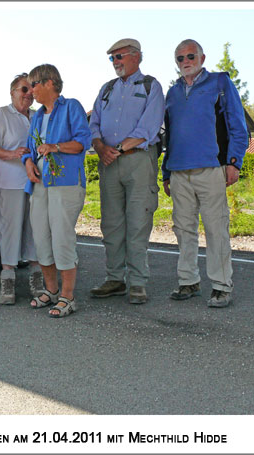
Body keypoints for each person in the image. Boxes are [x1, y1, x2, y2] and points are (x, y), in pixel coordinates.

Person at [162, 39, 248, 308]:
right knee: (183, 229)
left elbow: (238, 125)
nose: (185, 62)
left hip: (211, 169)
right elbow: (169, 134)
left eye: (190, 56)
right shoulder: (172, 93)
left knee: (215, 229)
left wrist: (234, 162)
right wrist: (165, 171)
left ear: (202, 57)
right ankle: (188, 281)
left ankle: (222, 285)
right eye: (180, 58)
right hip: (178, 171)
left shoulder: (220, 83)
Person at [89, 38, 165, 304]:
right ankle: (114, 279)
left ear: (136, 57)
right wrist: (99, 146)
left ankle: (137, 283)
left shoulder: (151, 86)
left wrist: (117, 149)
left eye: (119, 56)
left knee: (138, 222)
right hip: (108, 162)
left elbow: (149, 127)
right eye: (112, 58)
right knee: (111, 224)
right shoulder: (106, 89)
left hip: (138, 161)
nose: (116, 62)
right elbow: (94, 123)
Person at [22, 64, 91, 318]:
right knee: (40, 236)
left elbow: (83, 142)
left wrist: (55, 147)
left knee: (62, 237)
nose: (31, 91)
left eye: (34, 85)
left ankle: (68, 296)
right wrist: (28, 164)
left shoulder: (71, 106)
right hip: (40, 183)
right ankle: (51, 290)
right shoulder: (37, 116)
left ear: (50, 83)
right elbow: (28, 149)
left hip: (66, 182)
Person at [0, 73, 43, 305]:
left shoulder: (37, 115)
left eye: (31, 90)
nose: (28, 94)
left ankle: (36, 277)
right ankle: (7, 278)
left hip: (35, 180)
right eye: (23, 89)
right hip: (9, 180)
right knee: (10, 228)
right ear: (12, 92)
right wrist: (13, 154)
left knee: (34, 227)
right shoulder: (1, 114)